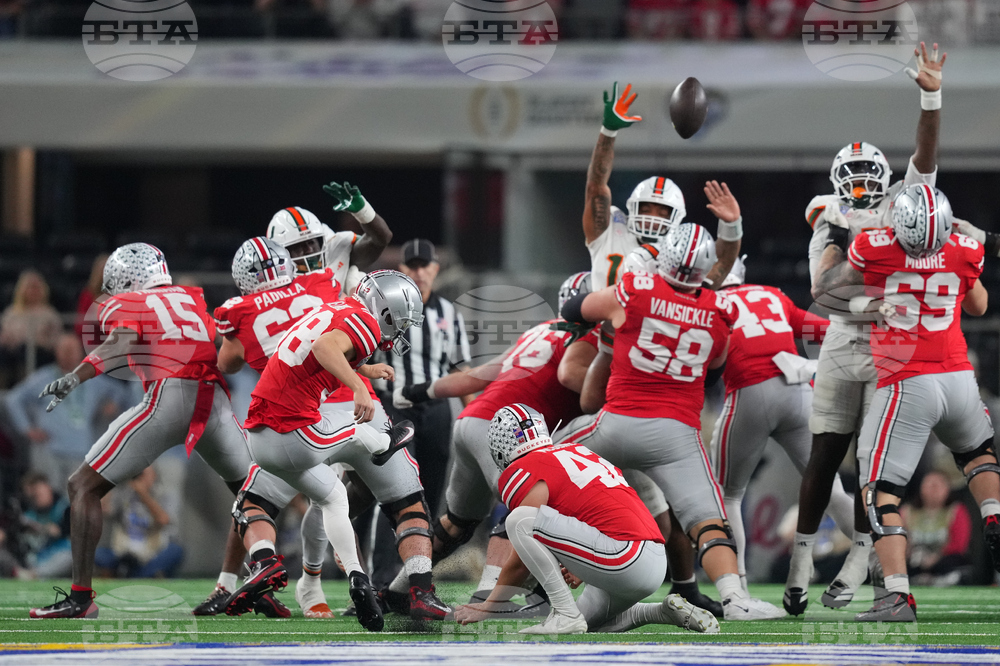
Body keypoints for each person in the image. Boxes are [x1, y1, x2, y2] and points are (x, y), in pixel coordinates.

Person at [787, 42, 968, 613]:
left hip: (898, 348)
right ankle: (799, 556)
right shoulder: (830, 215)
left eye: (872, 178)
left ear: (887, 179)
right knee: (825, 453)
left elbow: (928, 151)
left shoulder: (904, 203)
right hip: (848, 338)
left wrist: (931, 94)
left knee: (874, 460)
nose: (864, 188)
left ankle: (863, 555)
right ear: (839, 182)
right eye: (854, 179)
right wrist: (873, 308)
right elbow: (823, 290)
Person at [200, 237, 447, 622]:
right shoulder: (333, 293)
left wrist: (363, 371)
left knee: (307, 499)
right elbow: (328, 347)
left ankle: (308, 573)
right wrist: (360, 384)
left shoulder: (337, 303)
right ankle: (419, 589)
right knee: (404, 495)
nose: (399, 332)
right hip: (310, 420)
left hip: (268, 420)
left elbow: (234, 358)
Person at [576, 81, 744, 618]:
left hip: (641, 378)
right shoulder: (614, 241)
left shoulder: (682, 271)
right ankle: (530, 580)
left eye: (660, 210)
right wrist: (607, 134)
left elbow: (716, 273)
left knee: (655, 495)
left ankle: (685, 584)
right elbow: (597, 190)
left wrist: (731, 230)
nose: (649, 219)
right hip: (596, 357)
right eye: (642, 208)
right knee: (564, 469)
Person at [558, 223, 784, 620]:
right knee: (708, 522)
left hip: (617, 422)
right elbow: (713, 372)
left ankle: (506, 585)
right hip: (677, 435)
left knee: (544, 469)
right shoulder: (718, 313)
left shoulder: (636, 290)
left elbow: (574, 309)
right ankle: (734, 598)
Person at [27, 243, 261, 620]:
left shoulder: (132, 302)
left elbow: (118, 344)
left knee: (82, 486)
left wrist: (75, 376)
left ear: (126, 279)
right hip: (214, 400)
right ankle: (262, 577)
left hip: (170, 397)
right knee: (253, 495)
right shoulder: (189, 298)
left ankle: (81, 598)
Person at [813, 184, 1000, 621]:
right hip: (958, 377)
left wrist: (837, 246)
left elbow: (825, 291)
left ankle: (897, 596)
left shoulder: (874, 246)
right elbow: (978, 304)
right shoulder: (963, 247)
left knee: (880, 491)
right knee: (978, 456)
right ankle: (993, 515)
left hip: (907, 382)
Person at [397, 272, 600, 613]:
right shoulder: (594, 338)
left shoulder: (543, 330)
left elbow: (481, 374)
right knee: (529, 508)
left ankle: (398, 587)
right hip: (509, 429)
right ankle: (492, 595)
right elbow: (582, 388)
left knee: (457, 523)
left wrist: (421, 391)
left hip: (471, 420)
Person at [453, 404, 718, 635]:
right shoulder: (577, 451)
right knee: (591, 623)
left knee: (519, 521)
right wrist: (580, 563)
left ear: (501, 446)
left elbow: (524, 548)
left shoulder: (524, 467)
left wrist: (490, 605)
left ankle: (563, 612)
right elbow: (594, 514)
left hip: (623, 556)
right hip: (651, 559)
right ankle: (660, 612)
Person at [709, 256, 858, 597]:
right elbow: (823, 329)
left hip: (750, 390)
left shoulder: (708, 301)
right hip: (798, 390)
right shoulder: (771, 295)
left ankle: (737, 587)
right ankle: (880, 561)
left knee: (727, 495)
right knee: (830, 489)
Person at [384, 238, 472, 515]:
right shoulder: (383, 308)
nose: (419, 273)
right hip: (394, 404)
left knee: (433, 484)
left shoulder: (448, 312)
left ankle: (425, 555)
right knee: (396, 483)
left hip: (436, 409)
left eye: (425, 266)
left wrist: (477, 411)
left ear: (435, 269)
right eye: (413, 266)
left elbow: (460, 369)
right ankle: (385, 557)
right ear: (402, 269)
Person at [6, 333, 133, 492]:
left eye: (72, 349)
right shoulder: (43, 377)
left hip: (80, 450)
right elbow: (13, 399)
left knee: (76, 499)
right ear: (56, 352)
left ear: (80, 352)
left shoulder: (92, 378)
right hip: (49, 449)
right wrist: (26, 428)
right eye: (64, 349)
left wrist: (113, 403)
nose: (68, 353)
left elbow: (120, 391)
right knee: (48, 498)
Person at [95, 466, 184, 578]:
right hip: (124, 549)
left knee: (176, 551)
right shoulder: (125, 493)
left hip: (152, 550)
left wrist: (143, 494)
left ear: (154, 476)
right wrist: (111, 482)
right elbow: (104, 509)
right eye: (137, 474)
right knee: (99, 554)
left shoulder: (162, 494)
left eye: (143, 474)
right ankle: (143, 575)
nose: (139, 477)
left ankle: (136, 574)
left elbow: (164, 520)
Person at [902, 470, 972, 585]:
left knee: (955, 562)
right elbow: (899, 540)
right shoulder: (907, 512)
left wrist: (935, 558)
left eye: (938, 485)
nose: (933, 490)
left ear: (947, 489)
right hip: (915, 560)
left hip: (943, 561)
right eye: (929, 485)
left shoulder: (956, 511)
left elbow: (959, 544)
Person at [0, 270, 64, 384]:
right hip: (14, 352)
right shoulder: (11, 313)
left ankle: (27, 383)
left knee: (25, 351)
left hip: (40, 352)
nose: (33, 291)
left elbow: (56, 339)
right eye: (30, 287)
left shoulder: (50, 314)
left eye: (36, 287)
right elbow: (5, 336)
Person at [19, 473, 71, 579]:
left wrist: (52, 530)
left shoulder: (64, 507)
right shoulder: (28, 514)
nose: (34, 498)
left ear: (47, 488)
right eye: (31, 496)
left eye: (38, 494)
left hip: (61, 553)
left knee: (70, 558)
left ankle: (34, 575)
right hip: (36, 556)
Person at [76, 254, 108, 343]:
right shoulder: (87, 295)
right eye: (103, 270)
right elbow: (80, 323)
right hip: (92, 338)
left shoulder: (123, 294)